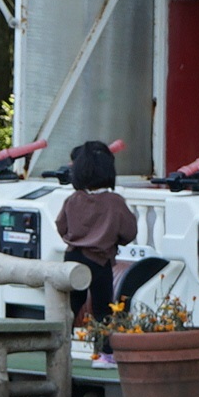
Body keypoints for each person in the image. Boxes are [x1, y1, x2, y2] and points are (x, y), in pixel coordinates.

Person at [55, 141, 140, 361]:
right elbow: (129, 231)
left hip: (72, 257)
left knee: (70, 306)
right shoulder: (114, 202)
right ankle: (104, 354)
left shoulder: (73, 199)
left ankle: (58, 349)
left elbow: (60, 225)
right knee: (103, 308)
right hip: (100, 260)